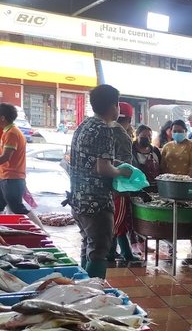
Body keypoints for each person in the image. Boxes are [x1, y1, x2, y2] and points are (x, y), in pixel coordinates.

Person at [69, 85, 132, 278]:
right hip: (96, 203)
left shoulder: (84, 125)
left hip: (78, 199)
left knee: (88, 245)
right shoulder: (104, 129)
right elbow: (103, 168)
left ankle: (81, 289)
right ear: (114, 106)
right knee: (99, 250)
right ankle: (93, 297)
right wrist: (122, 171)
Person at [0, 103, 46, 231]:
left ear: (2, 118)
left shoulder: (12, 133)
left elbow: (5, 157)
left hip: (12, 178)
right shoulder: (7, 131)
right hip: (5, 177)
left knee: (17, 208)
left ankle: (41, 231)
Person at [161, 120, 192, 256]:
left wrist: (184, 183)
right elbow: (162, 167)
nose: (177, 133)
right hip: (170, 188)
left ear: (185, 131)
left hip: (189, 188)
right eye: (174, 131)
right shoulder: (167, 146)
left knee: (189, 217)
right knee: (171, 217)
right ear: (170, 132)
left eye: (180, 131)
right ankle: (171, 245)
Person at [109, 102, 140, 263]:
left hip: (108, 187)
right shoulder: (122, 135)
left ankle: (123, 252)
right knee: (117, 223)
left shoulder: (106, 130)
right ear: (128, 119)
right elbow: (126, 168)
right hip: (118, 188)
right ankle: (112, 253)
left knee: (117, 224)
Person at [131, 125, 161, 255]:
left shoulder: (155, 151)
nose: (147, 139)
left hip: (152, 188)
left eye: (149, 136)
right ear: (137, 136)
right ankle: (133, 244)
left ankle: (143, 244)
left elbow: (160, 166)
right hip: (135, 188)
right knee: (133, 216)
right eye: (144, 136)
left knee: (145, 217)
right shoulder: (131, 150)